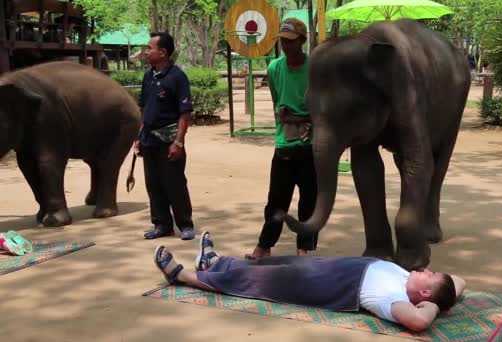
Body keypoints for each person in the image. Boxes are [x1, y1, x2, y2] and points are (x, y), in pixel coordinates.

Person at [153, 232, 466, 332]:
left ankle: (183, 275)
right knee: (271, 261)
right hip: (325, 267)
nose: (426, 268)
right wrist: (442, 298)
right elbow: (459, 281)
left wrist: (431, 309)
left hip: (320, 285)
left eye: (430, 275)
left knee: (256, 280)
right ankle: (217, 262)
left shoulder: (395, 299)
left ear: (423, 293)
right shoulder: (411, 281)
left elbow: (417, 322)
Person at [245, 18, 318, 259]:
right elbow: (279, 107)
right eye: (283, 42)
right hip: (285, 144)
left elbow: (322, 108)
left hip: (311, 145)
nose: (287, 46)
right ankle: (264, 246)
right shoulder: (275, 68)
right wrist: (288, 119)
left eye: (291, 41)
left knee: (309, 201)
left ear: (302, 41)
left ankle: (304, 248)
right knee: (277, 200)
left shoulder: (316, 68)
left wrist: (298, 118)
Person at [134, 32, 196, 241]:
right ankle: (162, 225)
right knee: (154, 184)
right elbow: (144, 109)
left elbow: (185, 113)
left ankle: (185, 225)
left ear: (163, 52)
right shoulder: (148, 77)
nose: (146, 51)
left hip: (169, 140)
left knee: (175, 183)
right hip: (149, 140)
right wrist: (139, 136)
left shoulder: (177, 77)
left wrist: (178, 141)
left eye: (149, 48)